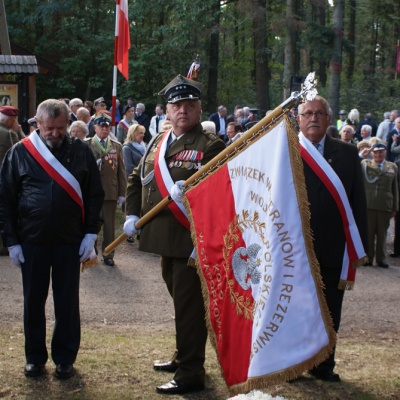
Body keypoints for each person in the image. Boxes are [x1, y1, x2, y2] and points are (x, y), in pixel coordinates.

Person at [123, 74, 225, 395]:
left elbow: (221, 197)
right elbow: (138, 177)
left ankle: (191, 372)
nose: (183, 110)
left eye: (190, 105)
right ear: (166, 111)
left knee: (189, 307)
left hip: (190, 241)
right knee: (183, 304)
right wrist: (131, 213)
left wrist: (194, 195)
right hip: (163, 238)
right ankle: (184, 356)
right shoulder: (158, 140)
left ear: (199, 110)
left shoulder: (211, 145)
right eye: (177, 105)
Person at [0, 99, 104, 379]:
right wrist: (11, 240)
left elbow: (95, 194)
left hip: (70, 242)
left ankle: (65, 357)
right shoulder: (19, 153)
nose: (55, 134)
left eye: (60, 128)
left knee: (67, 303)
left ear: (68, 125)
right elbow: (5, 199)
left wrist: (91, 233)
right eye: (49, 128)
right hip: (31, 242)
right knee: (33, 302)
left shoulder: (81, 151)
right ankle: (34, 357)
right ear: (37, 123)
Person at [297, 95, 368, 382]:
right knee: (294, 309)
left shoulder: (348, 154)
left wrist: (357, 246)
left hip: (333, 247)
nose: (313, 118)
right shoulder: (286, 151)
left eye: (319, 113)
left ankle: (323, 365)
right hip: (293, 247)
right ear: (299, 119)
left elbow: (357, 203)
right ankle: (293, 365)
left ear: (329, 119)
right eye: (308, 113)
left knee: (328, 309)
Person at [85, 112, 126, 267]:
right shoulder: (87, 144)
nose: (104, 129)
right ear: (94, 127)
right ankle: (91, 252)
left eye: (107, 126)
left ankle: (109, 254)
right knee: (92, 223)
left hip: (110, 191)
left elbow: (121, 171)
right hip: (92, 192)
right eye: (101, 126)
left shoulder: (117, 146)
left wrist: (122, 193)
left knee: (109, 227)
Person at [361, 143, 398, 268]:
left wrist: (395, 207)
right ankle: (368, 258)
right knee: (369, 233)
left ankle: (381, 259)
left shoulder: (392, 167)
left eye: (381, 152)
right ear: (372, 153)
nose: (378, 155)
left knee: (382, 234)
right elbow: (354, 165)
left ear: (385, 153)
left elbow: (395, 189)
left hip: (384, 205)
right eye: (375, 152)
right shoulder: (365, 164)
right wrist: (362, 155)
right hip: (369, 204)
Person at [0, 105, 21, 255]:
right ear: (11, 120)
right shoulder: (8, 134)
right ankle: (4, 245)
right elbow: (19, 157)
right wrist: (19, 131)